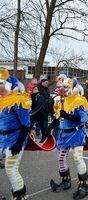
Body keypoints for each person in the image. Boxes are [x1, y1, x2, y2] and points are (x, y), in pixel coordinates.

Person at [46, 75, 88, 199]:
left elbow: (83, 118)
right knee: (61, 158)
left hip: (76, 133)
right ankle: (66, 182)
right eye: (62, 86)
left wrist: (67, 116)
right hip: (64, 134)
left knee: (77, 158)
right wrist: (49, 128)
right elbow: (60, 117)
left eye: (66, 87)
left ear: (73, 88)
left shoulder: (79, 100)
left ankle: (84, 186)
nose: (63, 89)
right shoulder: (63, 100)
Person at [0, 68, 31, 200]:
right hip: (2, 138)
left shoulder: (19, 101)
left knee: (11, 169)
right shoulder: (1, 102)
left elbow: (26, 124)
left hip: (15, 138)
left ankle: (20, 196)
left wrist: (19, 142)